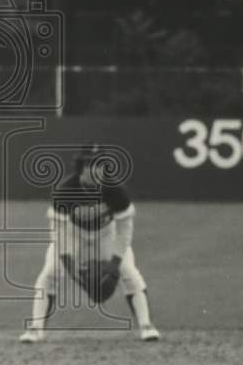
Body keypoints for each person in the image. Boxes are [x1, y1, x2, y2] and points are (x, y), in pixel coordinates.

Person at [19, 143, 160, 342]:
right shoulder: (65, 190)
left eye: (101, 165)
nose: (97, 170)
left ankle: (146, 325)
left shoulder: (115, 190)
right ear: (80, 168)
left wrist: (114, 264)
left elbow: (124, 231)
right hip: (72, 234)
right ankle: (35, 328)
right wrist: (72, 270)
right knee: (51, 272)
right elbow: (58, 234)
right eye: (91, 165)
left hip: (106, 234)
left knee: (129, 271)